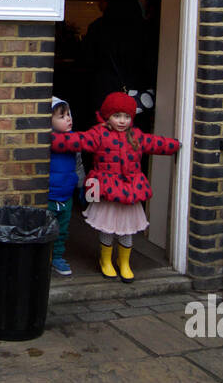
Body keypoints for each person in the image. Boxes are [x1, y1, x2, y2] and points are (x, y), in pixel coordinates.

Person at [51, 91, 181, 283]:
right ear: (107, 116)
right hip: (108, 191)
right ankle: (106, 261)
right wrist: (48, 139)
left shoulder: (135, 135)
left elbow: (155, 143)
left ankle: (124, 263)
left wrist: (176, 145)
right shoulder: (98, 133)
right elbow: (75, 140)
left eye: (127, 116)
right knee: (108, 228)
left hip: (129, 192)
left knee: (127, 230)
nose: (122, 121)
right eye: (117, 116)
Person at [47, 97, 83, 277]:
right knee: (46, 229)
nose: (68, 119)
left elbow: (78, 165)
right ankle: (44, 257)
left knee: (62, 230)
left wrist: (82, 186)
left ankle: (58, 257)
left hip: (67, 195)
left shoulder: (75, 142)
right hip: (50, 196)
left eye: (68, 115)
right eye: (62, 116)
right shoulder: (45, 143)